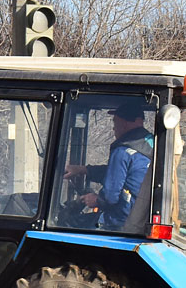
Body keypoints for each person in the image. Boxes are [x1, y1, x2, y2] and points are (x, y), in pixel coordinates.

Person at [62, 98, 153, 231]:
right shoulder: (149, 145)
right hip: (140, 216)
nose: (113, 127)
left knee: (70, 225)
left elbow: (111, 196)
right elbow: (119, 174)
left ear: (125, 123)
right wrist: (83, 170)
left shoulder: (123, 151)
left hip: (120, 221)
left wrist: (96, 200)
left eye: (115, 122)